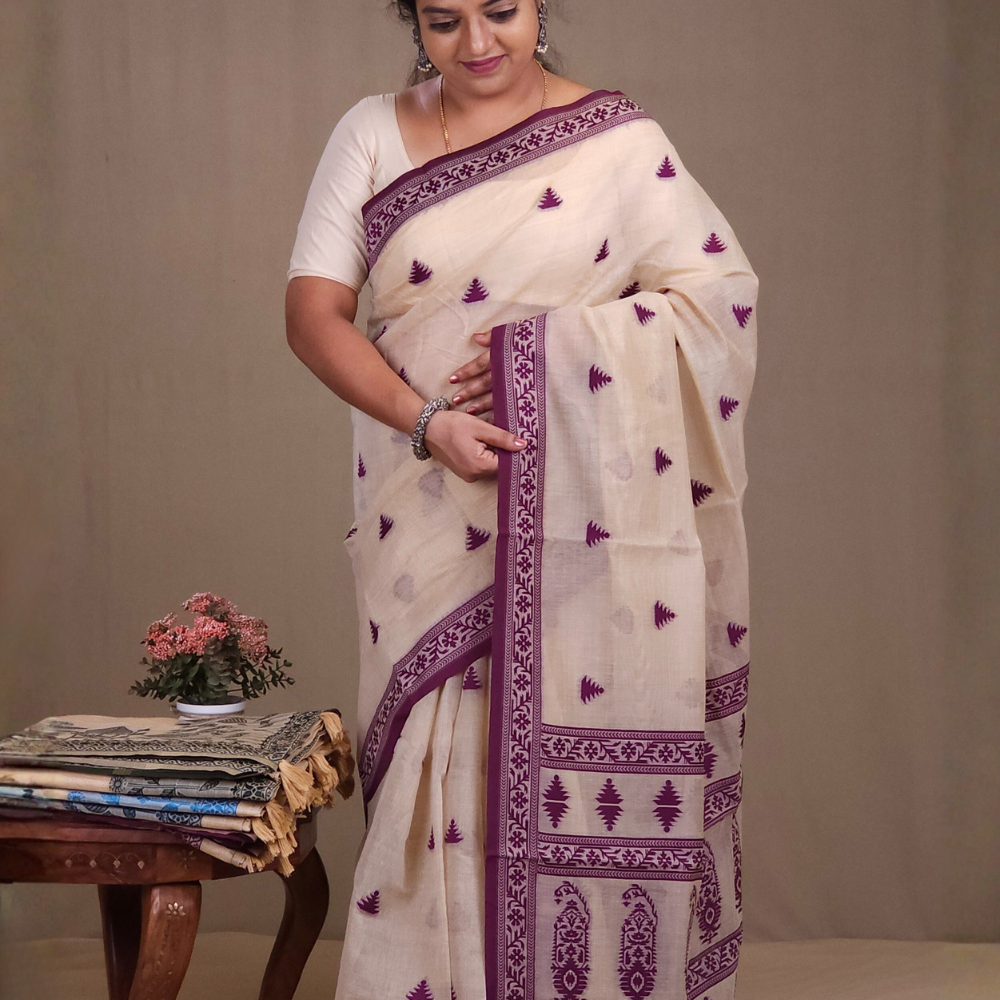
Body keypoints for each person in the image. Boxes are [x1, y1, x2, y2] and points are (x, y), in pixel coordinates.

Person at [285, 2, 758, 998]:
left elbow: (716, 305)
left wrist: (541, 361)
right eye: (444, 19)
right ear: (414, 21)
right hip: (424, 510)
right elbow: (312, 313)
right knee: (432, 774)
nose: (477, 42)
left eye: (500, 10)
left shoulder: (620, 144)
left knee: (546, 757)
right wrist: (428, 422)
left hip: (582, 519)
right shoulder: (371, 131)